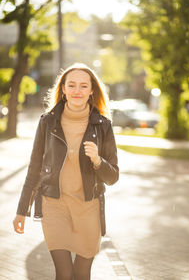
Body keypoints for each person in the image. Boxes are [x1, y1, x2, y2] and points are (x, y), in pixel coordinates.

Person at [13, 62, 119, 280]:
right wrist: (22, 210)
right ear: (63, 89)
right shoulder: (47, 122)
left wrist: (98, 160)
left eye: (83, 86)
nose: (77, 91)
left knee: (81, 273)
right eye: (71, 85)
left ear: (91, 90)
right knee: (64, 272)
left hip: (88, 207)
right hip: (54, 205)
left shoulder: (103, 126)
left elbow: (113, 176)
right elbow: (34, 169)